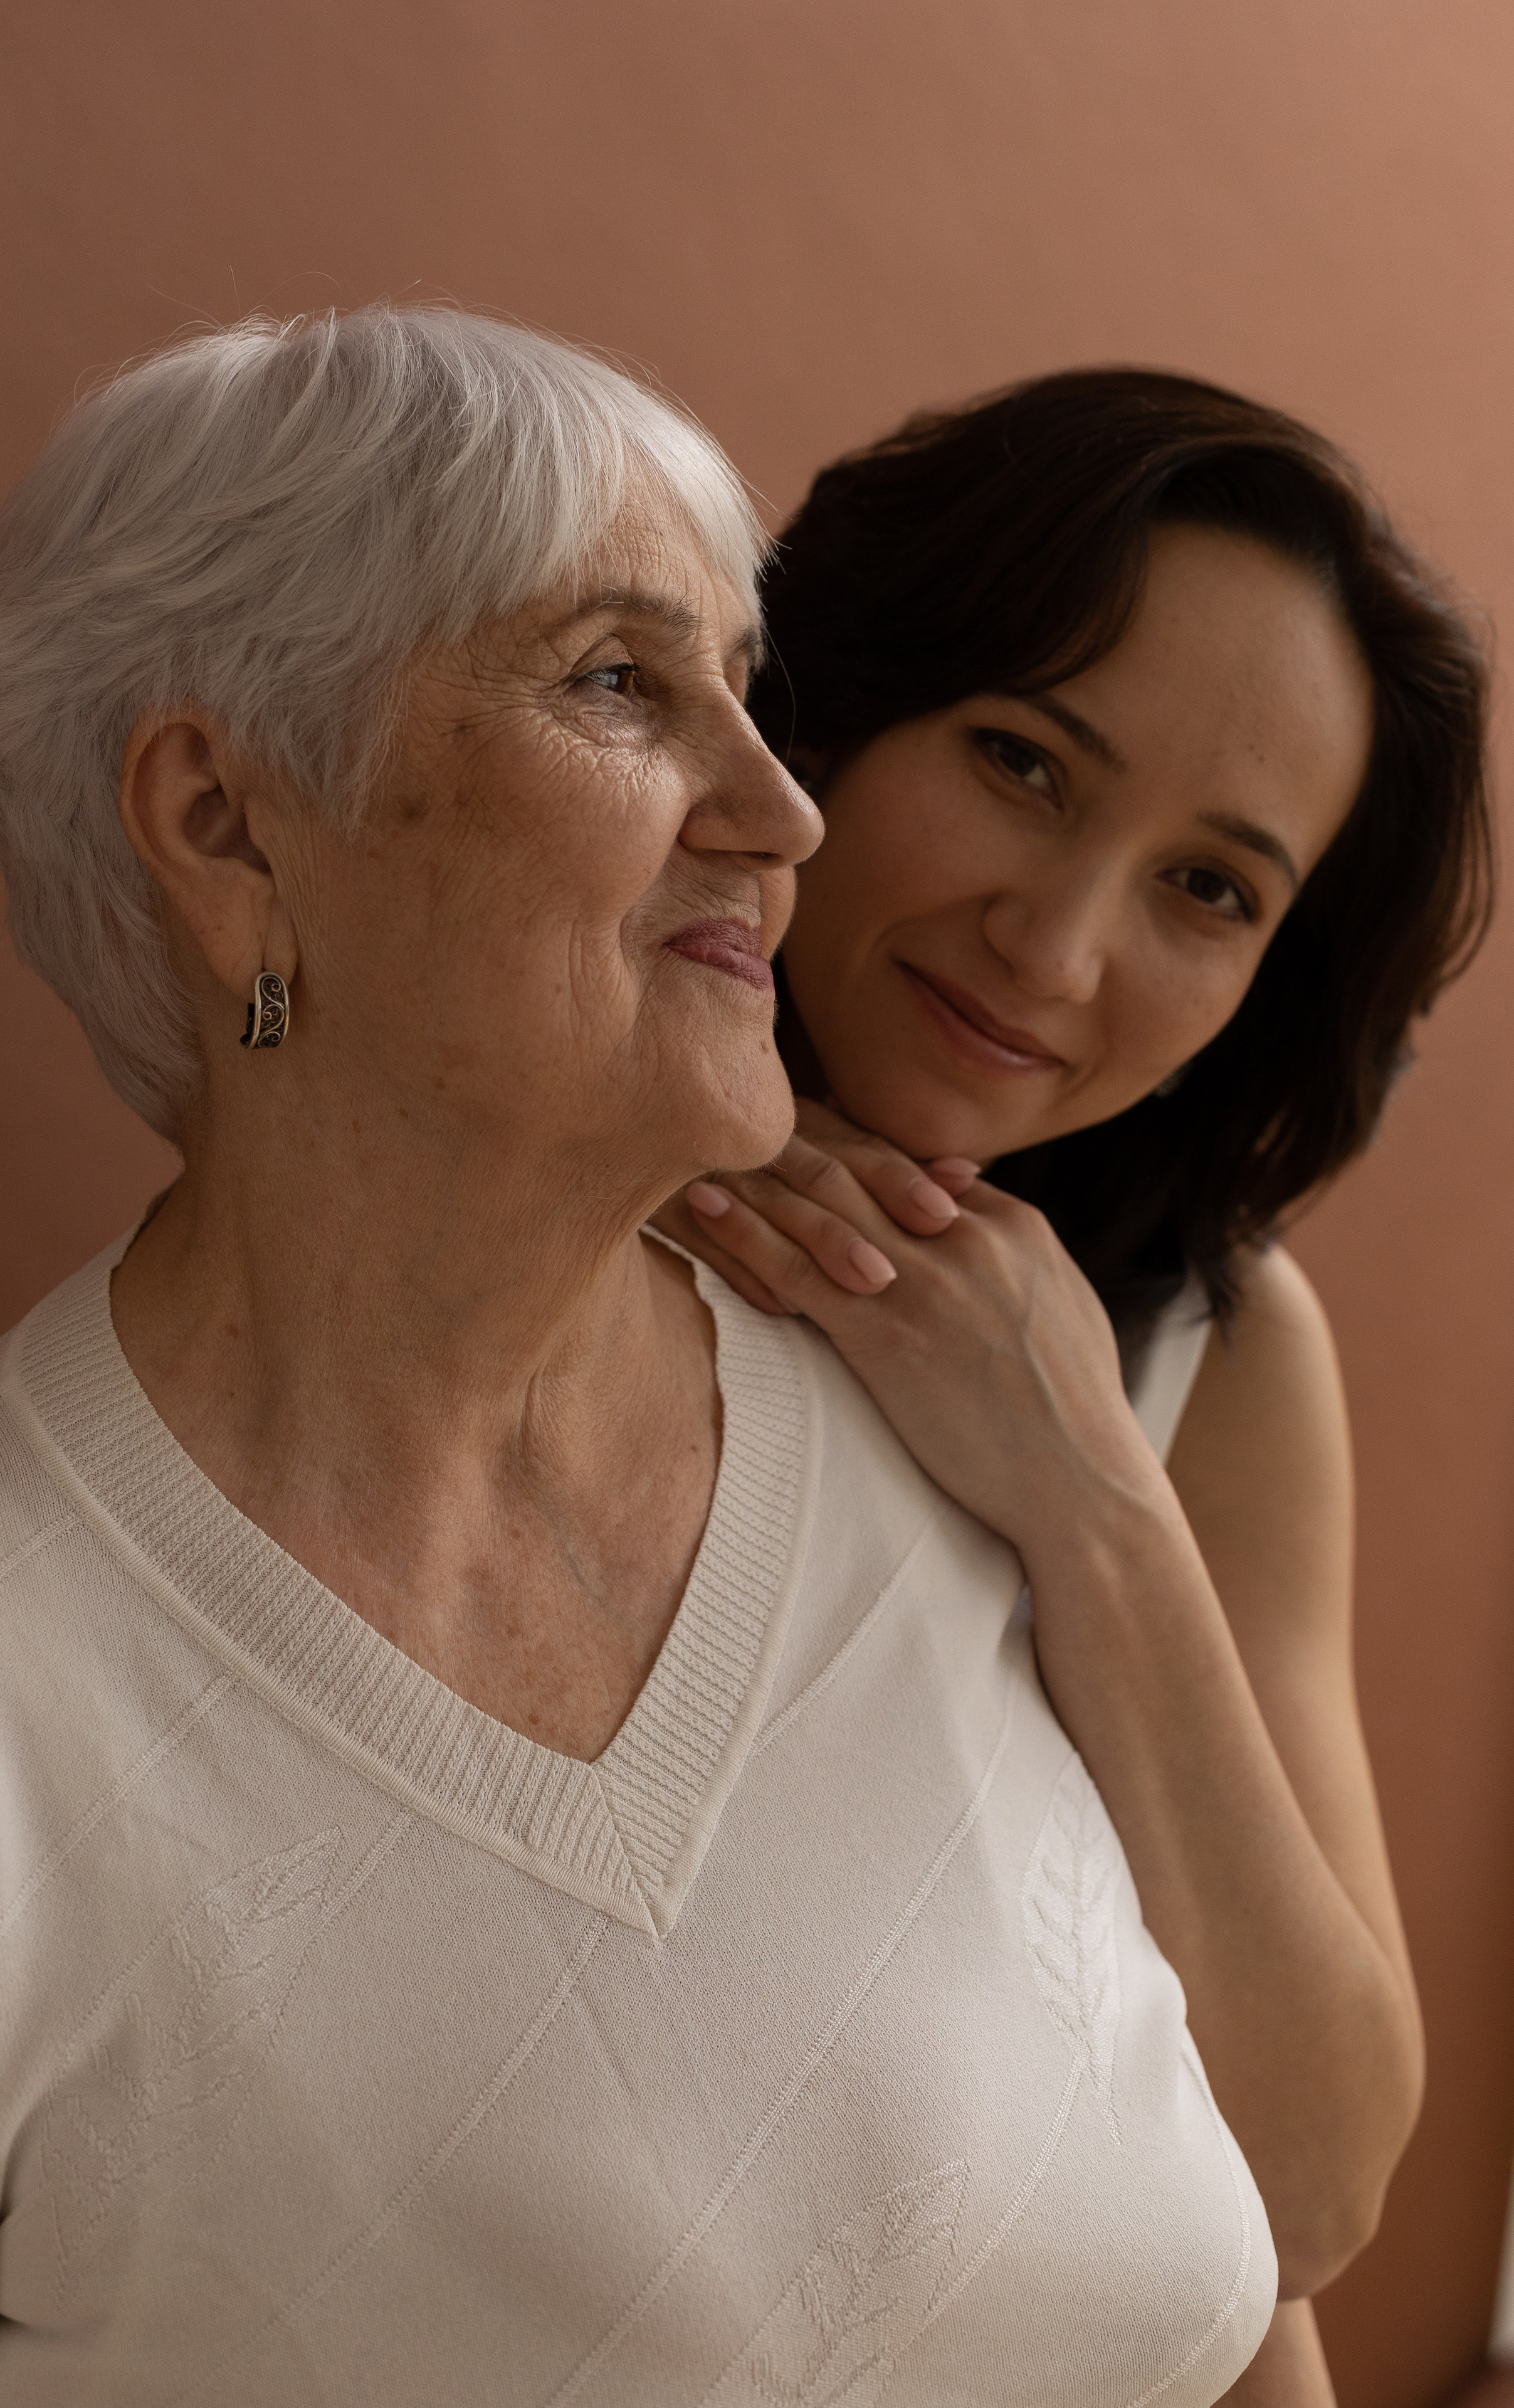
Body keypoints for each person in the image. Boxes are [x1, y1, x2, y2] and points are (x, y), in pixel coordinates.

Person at [0, 311, 1282, 2405]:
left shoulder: (945, 1417)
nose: (783, 813)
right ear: (226, 824)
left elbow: (1252, 2288)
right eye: (621, 682)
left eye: (753, 690)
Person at [665, 369, 1493, 2400]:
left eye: (1210, 888)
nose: (1057, 948)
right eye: (1026, 763)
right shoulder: (514, 1162)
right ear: (832, 713)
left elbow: (1305, 2186)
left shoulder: (1208, 1341)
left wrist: (1084, 1481)